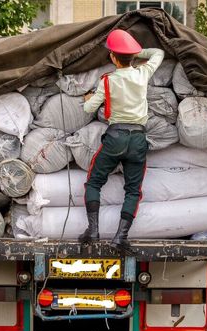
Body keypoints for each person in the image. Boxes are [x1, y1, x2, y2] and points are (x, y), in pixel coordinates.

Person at [79, 29, 164, 250]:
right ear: (133, 56)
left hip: (115, 137)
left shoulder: (107, 81)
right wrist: (137, 52)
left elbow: (89, 108)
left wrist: (87, 98)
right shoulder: (143, 73)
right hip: (138, 138)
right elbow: (158, 53)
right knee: (133, 190)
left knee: (94, 181)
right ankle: (120, 237)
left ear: (113, 58)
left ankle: (93, 231)